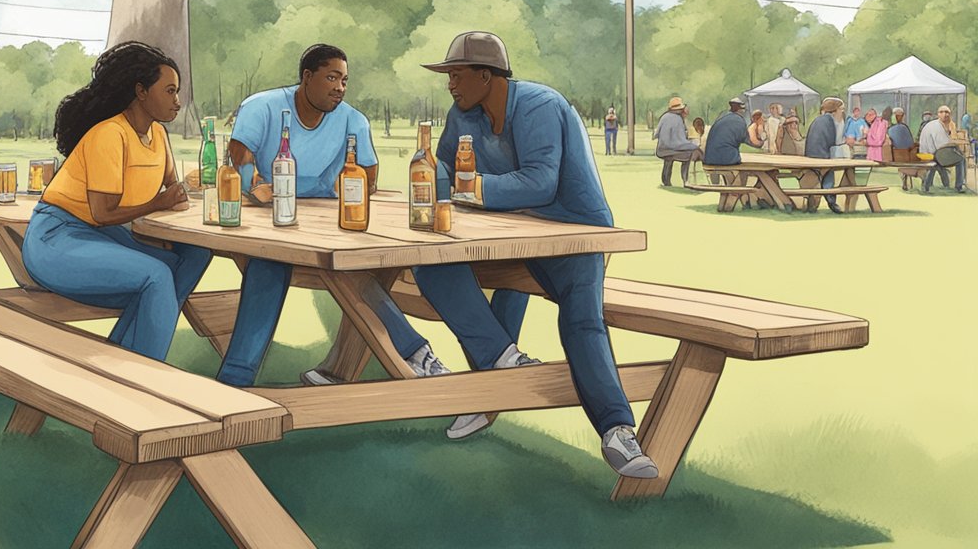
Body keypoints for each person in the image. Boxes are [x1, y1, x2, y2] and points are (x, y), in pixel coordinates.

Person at [406, 30, 657, 478]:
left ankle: (617, 430)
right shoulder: (462, 115)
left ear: (487, 75)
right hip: (506, 233)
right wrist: (432, 172)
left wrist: (469, 188)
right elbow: (441, 164)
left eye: (457, 75)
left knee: (581, 320)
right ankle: (501, 365)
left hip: (574, 232)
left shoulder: (540, 105)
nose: (450, 84)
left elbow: (541, 181)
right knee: (431, 265)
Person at [217, 44, 451, 388]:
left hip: (326, 218)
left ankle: (236, 381)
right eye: (331, 78)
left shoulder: (353, 119)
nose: (340, 87)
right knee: (270, 260)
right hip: (266, 214)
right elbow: (240, 157)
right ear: (307, 77)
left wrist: (344, 189)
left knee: (350, 266)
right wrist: (257, 186)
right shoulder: (262, 107)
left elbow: (368, 176)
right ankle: (237, 379)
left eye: (344, 80)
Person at [21, 43, 212, 362]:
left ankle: (123, 361)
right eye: (169, 91)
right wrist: (160, 203)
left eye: (177, 92)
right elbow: (103, 212)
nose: (178, 102)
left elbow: (172, 191)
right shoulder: (109, 134)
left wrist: (186, 192)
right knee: (157, 275)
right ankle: (141, 377)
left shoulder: (159, 136)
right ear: (141, 91)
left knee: (195, 254)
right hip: (57, 237)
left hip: (99, 236)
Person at [804, 97, 848, 213]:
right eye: (841, 110)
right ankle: (831, 201)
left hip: (812, 155)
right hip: (821, 157)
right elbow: (836, 142)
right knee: (828, 175)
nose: (842, 112)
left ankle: (828, 201)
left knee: (824, 175)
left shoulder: (820, 120)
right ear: (834, 110)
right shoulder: (830, 122)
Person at [652, 97, 700, 186]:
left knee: (668, 160)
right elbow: (679, 142)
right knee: (689, 154)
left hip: (661, 150)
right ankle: (685, 180)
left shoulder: (664, 117)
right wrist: (693, 145)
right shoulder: (678, 119)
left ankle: (666, 180)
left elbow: (656, 134)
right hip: (672, 149)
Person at [919, 105, 965, 193]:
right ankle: (959, 186)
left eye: (947, 112)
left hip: (929, 153)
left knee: (957, 155)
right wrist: (955, 144)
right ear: (938, 114)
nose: (945, 114)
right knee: (961, 159)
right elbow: (943, 145)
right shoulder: (937, 126)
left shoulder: (935, 124)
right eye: (942, 112)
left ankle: (933, 185)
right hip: (934, 155)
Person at [703, 98, 758, 167]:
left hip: (710, 158)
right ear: (740, 109)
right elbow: (746, 139)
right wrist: (761, 144)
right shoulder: (738, 120)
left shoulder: (722, 116)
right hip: (727, 158)